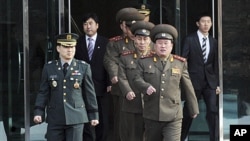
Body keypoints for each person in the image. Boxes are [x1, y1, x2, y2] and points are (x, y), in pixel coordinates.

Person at [133, 24, 199, 141]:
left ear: (171, 45)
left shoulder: (180, 63)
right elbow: (136, 79)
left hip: (173, 114)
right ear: (155, 45)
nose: (163, 46)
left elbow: (188, 86)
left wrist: (193, 108)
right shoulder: (144, 62)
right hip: (152, 113)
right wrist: (145, 87)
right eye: (160, 43)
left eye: (166, 43)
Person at [33, 33, 99, 141]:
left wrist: (94, 115)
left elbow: (89, 93)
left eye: (72, 46)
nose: (70, 50)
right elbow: (43, 92)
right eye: (66, 46)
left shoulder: (83, 67)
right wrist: (38, 112)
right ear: (58, 48)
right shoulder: (49, 67)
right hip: (55, 117)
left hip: (76, 117)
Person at [103, 7, 145, 141]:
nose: (132, 31)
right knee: (123, 125)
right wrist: (115, 75)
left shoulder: (146, 41)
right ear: (122, 26)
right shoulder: (115, 43)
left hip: (143, 89)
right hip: (123, 89)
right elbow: (110, 60)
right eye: (129, 27)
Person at [180, 12, 221, 141]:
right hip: (193, 81)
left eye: (208, 21)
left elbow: (216, 64)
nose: (206, 24)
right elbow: (183, 60)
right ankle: (180, 137)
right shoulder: (189, 39)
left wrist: (218, 83)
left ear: (211, 24)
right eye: (203, 21)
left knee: (213, 111)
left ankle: (214, 138)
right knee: (189, 111)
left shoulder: (214, 42)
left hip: (210, 82)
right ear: (198, 23)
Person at [74, 13, 111, 141]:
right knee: (85, 121)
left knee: (102, 120)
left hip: (101, 87)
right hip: (82, 88)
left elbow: (109, 64)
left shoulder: (106, 42)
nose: (88, 26)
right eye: (85, 24)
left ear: (97, 25)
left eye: (90, 23)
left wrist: (109, 83)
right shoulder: (77, 43)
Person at [118, 21, 155, 141]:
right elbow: (121, 76)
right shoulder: (125, 57)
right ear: (134, 39)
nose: (142, 42)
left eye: (145, 39)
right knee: (133, 136)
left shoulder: (156, 58)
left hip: (152, 104)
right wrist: (127, 91)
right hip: (133, 103)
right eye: (139, 39)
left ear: (150, 40)